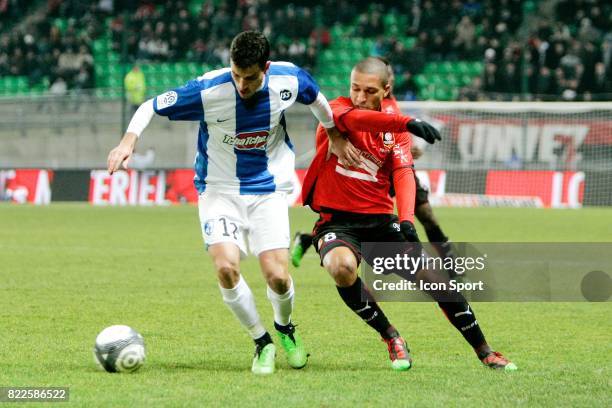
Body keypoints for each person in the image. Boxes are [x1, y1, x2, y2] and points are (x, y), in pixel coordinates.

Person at [107, 31, 359, 375]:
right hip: (217, 190)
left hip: (267, 190)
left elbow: (316, 98)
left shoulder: (287, 79)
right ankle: (261, 341)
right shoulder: (208, 90)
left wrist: (333, 132)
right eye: (237, 74)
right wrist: (127, 142)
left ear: (266, 68)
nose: (242, 84)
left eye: (251, 77)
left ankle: (285, 329)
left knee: (278, 277)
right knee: (226, 268)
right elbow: (150, 105)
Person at [299, 57, 517, 371]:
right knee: (341, 266)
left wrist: (406, 220)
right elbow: (357, 117)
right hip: (338, 222)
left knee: (437, 280)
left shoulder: (395, 128)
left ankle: (486, 351)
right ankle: (390, 336)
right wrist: (406, 123)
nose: (360, 96)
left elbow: (403, 173)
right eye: (355, 88)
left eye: (369, 91)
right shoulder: (336, 112)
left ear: (386, 90)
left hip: (380, 223)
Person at [292, 59, 459, 277]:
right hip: (377, 172)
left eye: (387, 75)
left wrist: (407, 149)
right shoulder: (364, 106)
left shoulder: (390, 104)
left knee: (425, 214)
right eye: (359, 87)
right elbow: (367, 122)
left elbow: (396, 138)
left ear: (388, 83)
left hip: (396, 167)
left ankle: (448, 261)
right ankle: (323, 240)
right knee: (371, 219)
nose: (362, 95)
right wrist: (335, 135)